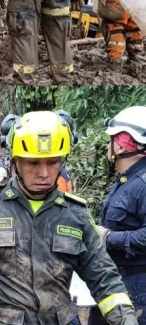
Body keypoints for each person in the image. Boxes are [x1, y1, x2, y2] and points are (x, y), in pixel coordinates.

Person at [0, 110, 139, 325]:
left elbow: (104, 277)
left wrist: (126, 319)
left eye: (53, 162)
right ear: (15, 161)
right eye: (33, 163)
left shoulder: (76, 214)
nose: (44, 173)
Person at [91, 107, 146, 324]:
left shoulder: (142, 184)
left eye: (112, 139)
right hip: (116, 282)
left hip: (137, 290)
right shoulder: (126, 180)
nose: (108, 145)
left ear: (124, 143)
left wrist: (108, 237)